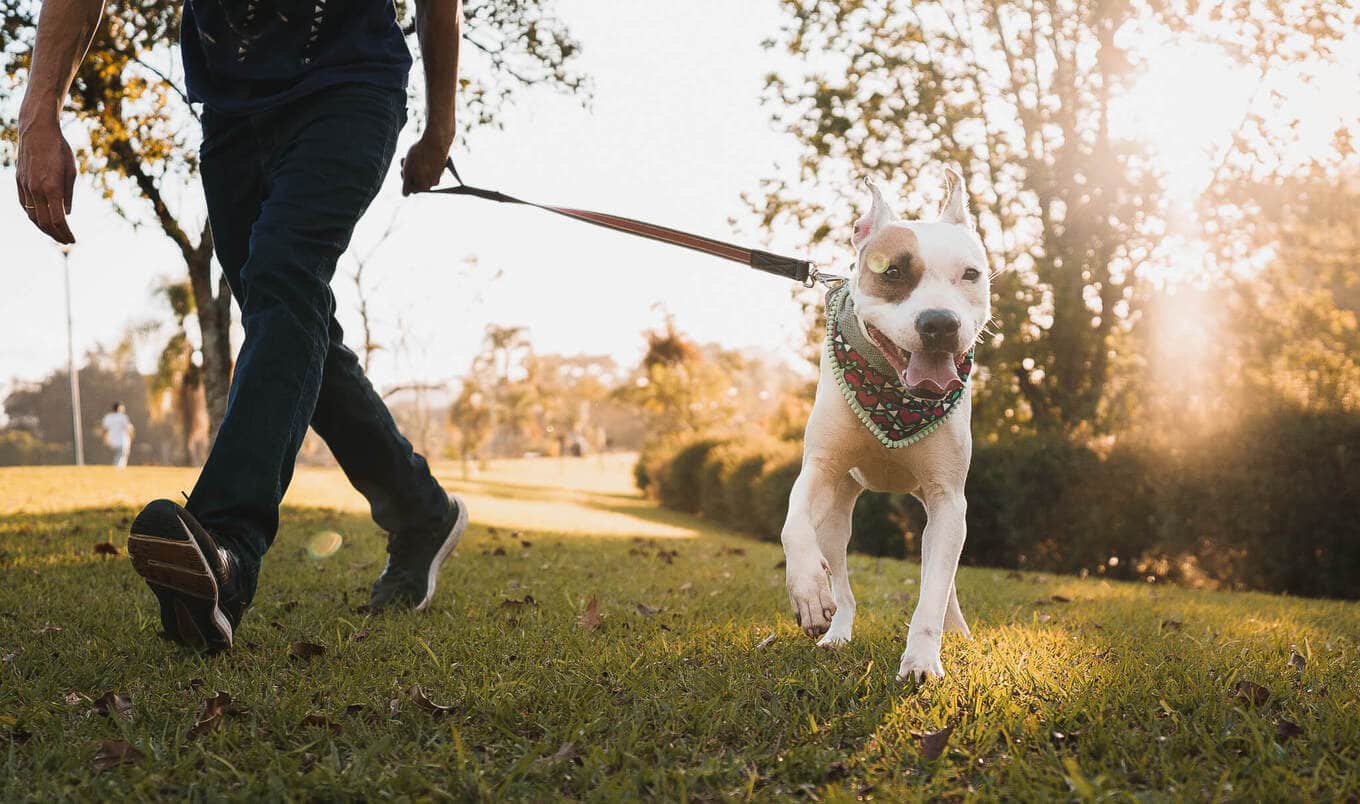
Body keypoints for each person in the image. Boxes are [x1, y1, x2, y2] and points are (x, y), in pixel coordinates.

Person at [16, 0, 468, 652]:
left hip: (348, 87)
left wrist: (440, 129)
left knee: (285, 285)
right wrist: (38, 116)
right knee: (287, 315)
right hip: (231, 116)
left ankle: (228, 544)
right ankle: (421, 511)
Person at [100, 401, 134, 469]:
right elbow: (129, 429)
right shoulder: (123, 417)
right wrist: (131, 437)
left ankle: (116, 468)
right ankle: (118, 469)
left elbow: (104, 429)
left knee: (117, 456)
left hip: (112, 441)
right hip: (122, 441)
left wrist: (104, 439)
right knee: (122, 456)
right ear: (119, 408)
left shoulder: (108, 417)